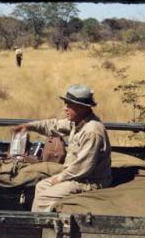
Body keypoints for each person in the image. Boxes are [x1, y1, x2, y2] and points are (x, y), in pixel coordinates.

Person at [11, 84, 112, 212]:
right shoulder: (78, 122)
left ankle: (41, 229)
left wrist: (59, 178)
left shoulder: (92, 131)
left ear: (82, 108)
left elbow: (82, 168)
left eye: (68, 105)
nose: (65, 108)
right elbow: (53, 125)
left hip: (89, 182)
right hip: (76, 176)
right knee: (41, 186)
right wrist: (29, 126)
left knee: (44, 198)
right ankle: (44, 221)